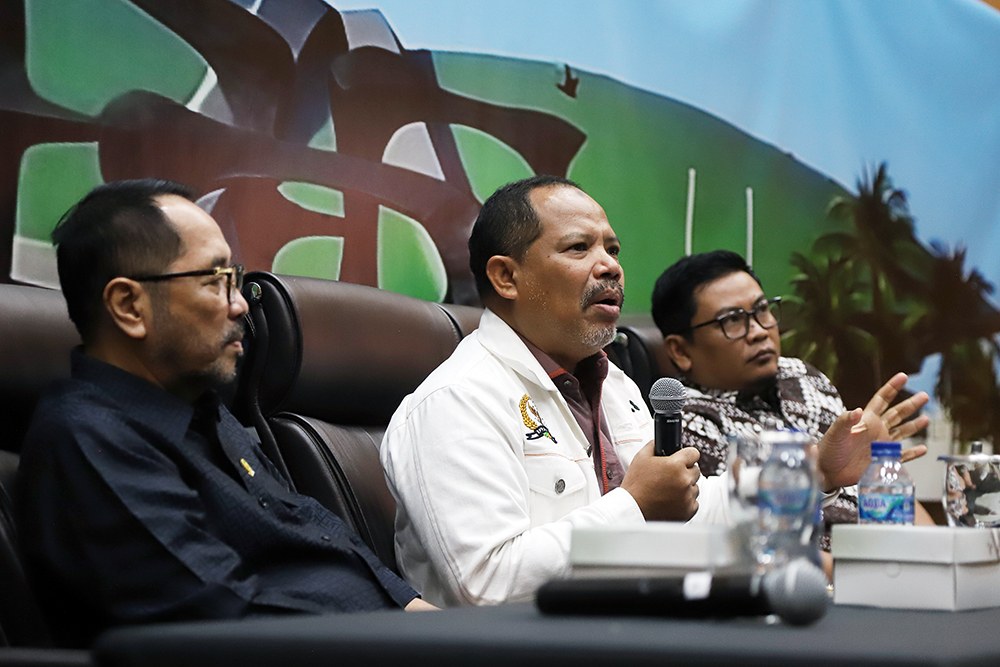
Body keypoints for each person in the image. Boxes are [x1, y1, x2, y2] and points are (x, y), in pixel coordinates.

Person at [380, 175, 924, 607]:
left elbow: (694, 505)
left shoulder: (612, 382)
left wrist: (817, 471)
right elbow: (485, 586)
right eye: (578, 248)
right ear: (506, 277)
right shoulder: (457, 399)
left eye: (612, 248)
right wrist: (634, 505)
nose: (610, 266)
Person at [15, 179, 432, 647]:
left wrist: (428, 620)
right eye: (213, 280)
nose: (239, 305)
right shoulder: (88, 439)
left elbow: (313, 536)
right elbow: (224, 624)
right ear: (129, 306)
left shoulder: (204, 411)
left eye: (233, 278)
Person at [650, 249, 934, 548]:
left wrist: (935, 552)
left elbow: (882, 493)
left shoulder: (802, 375)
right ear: (680, 351)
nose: (759, 331)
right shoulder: (687, 425)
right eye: (732, 320)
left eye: (762, 310)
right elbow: (754, 541)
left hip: (886, 557)